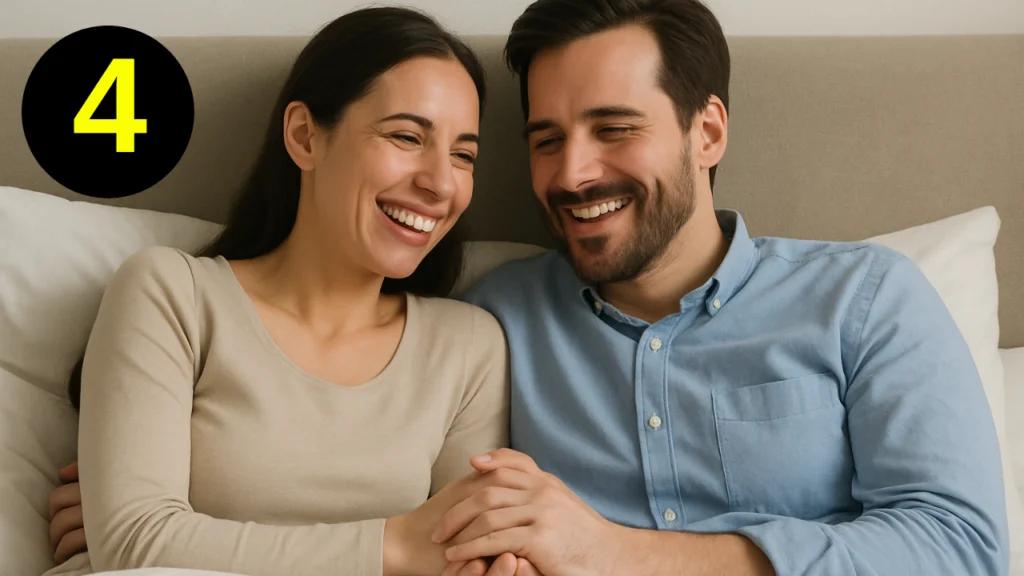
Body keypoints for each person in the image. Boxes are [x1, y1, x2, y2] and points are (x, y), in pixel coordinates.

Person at [52, 0, 1012, 575]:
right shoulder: (500, 317)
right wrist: (147, 507)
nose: (574, 172)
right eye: (545, 140)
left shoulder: (866, 298)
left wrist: (615, 553)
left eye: (615, 128)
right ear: (306, 136)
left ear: (708, 131)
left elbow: (962, 548)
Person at [43, 6, 528, 576]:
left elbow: (462, 560)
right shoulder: (174, 295)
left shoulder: (468, 347)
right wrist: (393, 547)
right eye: (405, 136)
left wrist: (191, 533)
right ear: (304, 136)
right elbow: (135, 547)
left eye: (463, 155)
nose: (441, 183)